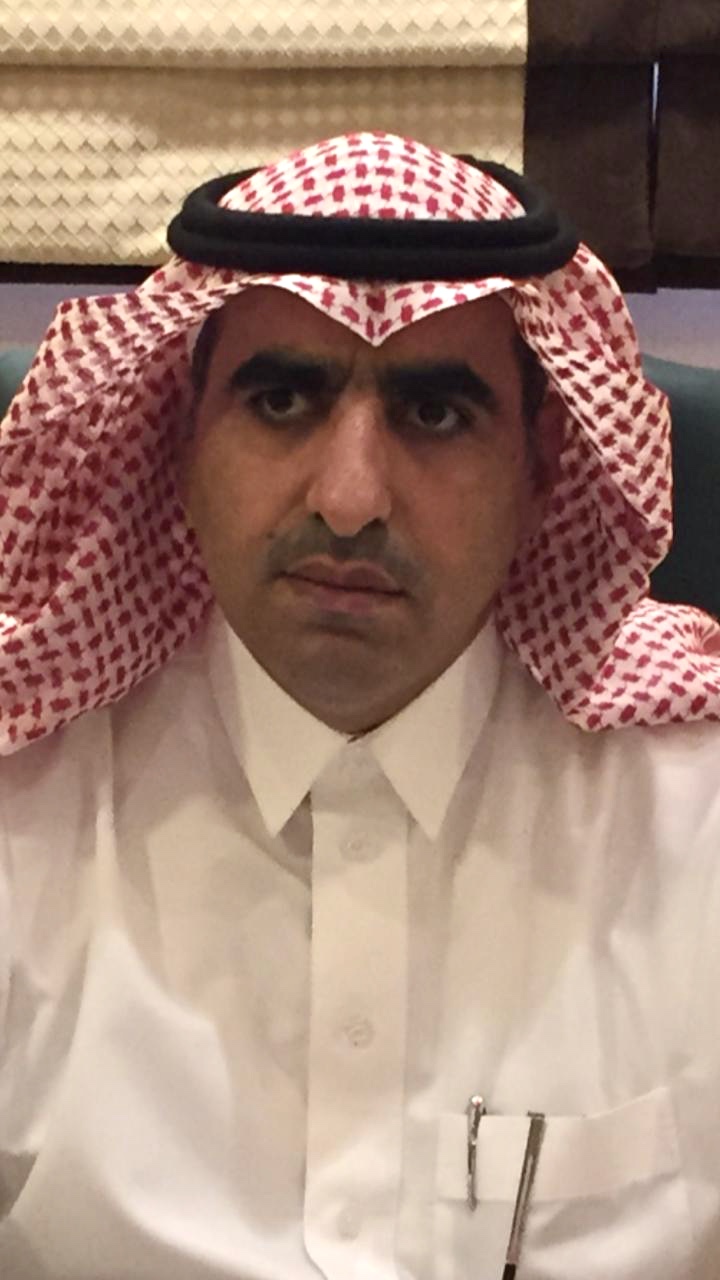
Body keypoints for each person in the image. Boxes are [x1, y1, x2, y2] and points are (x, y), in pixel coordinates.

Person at [0, 132, 719, 1280]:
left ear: (543, 467)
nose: (348, 500)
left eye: (435, 415)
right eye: (282, 399)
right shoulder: (25, 804)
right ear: (176, 443)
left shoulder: (694, 821)